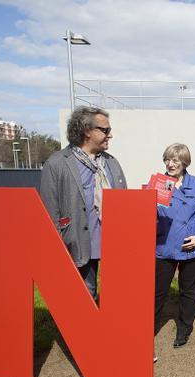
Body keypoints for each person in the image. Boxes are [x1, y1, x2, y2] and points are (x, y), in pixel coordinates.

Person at [41, 106, 127, 300]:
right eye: (105, 130)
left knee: (117, 297)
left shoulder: (112, 163)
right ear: (87, 131)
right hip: (78, 243)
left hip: (113, 243)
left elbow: (124, 201)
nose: (110, 135)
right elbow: (49, 212)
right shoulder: (57, 163)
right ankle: (84, 329)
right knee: (85, 296)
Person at [154, 143, 195, 349]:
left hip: (192, 247)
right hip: (164, 246)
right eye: (167, 160)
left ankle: (184, 328)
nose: (171, 164)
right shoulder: (158, 184)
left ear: (184, 162)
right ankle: (148, 327)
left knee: (188, 291)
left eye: (175, 161)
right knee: (158, 291)